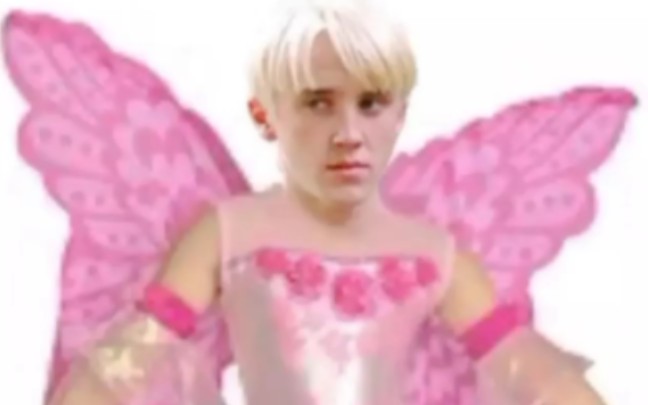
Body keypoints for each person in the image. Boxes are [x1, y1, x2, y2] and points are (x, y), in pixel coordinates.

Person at [5, 0, 632, 404]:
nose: (348, 132)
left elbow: (531, 371)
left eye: (370, 104)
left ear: (400, 114)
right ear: (267, 114)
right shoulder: (228, 232)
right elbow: (129, 358)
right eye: (317, 103)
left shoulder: (437, 255)